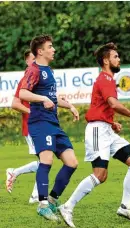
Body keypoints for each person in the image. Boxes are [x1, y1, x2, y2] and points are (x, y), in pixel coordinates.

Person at [58, 42, 130, 228]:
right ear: (106, 61)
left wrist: (111, 122)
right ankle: (67, 206)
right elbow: (112, 103)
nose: (119, 59)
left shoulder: (108, 80)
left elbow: (101, 107)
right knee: (100, 175)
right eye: (115, 56)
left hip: (106, 130)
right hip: (97, 131)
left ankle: (125, 206)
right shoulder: (105, 79)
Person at [19, 34, 80, 222]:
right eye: (50, 46)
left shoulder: (49, 70)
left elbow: (52, 97)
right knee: (46, 160)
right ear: (40, 51)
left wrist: (69, 106)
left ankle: (52, 200)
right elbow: (23, 93)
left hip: (53, 123)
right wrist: (42, 99)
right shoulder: (34, 69)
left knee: (72, 162)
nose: (54, 49)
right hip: (40, 122)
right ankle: (43, 204)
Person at [6, 49, 39, 204]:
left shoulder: (37, 77)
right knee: (45, 161)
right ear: (27, 61)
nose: (36, 62)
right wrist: (32, 112)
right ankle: (35, 196)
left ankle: (15, 172)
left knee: (45, 161)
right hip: (31, 126)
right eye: (33, 59)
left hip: (39, 126)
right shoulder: (25, 80)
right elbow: (14, 103)